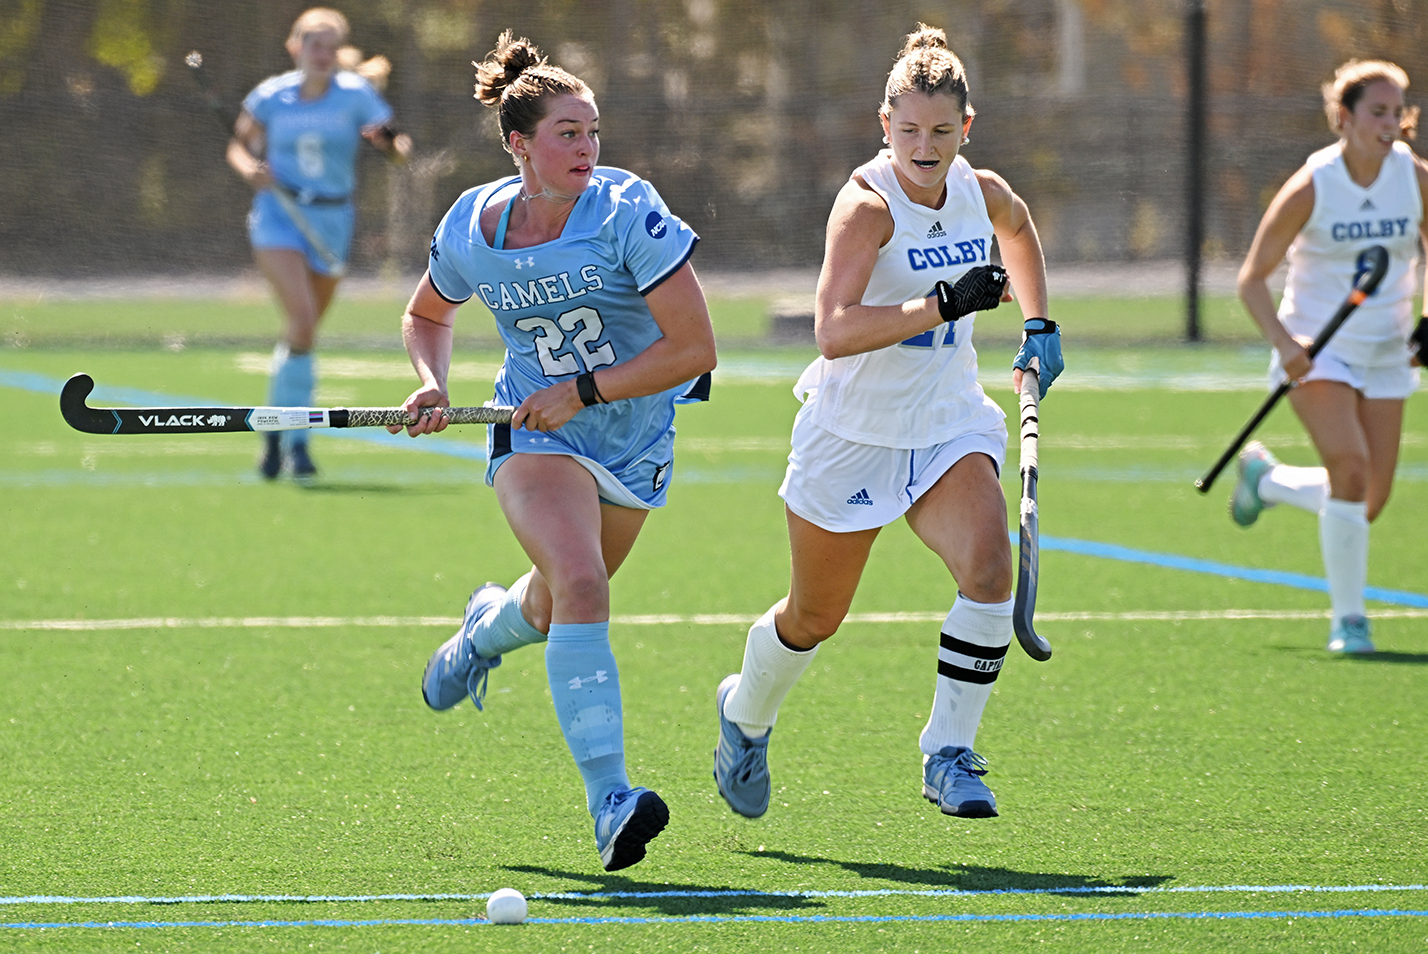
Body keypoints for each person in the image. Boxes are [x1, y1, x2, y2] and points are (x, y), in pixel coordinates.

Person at [711, 25, 1063, 823]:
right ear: (885, 126)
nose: (926, 146)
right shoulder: (866, 206)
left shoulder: (982, 187)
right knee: (813, 617)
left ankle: (948, 753)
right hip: (853, 436)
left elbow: (1019, 224)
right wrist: (943, 302)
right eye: (909, 130)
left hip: (946, 422)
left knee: (988, 571)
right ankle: (745, 718)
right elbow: (832, 329)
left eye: (942, 131)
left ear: (965, 129)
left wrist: (1041, 326)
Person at [390, 32, 716, 871]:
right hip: (535, 433)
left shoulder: (626, 211)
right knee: (581, 583)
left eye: (593, 131)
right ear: (519, 145)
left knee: (552, 604)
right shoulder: (473, 222)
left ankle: (481, 636)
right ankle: (611, 798)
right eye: (567, 133)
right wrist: (430, 382)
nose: (587, 148)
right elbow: (428, 314)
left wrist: (586, 389)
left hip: (634, 435)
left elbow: (694, 349)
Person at [1232, 59, 1428, 655]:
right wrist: (1286, 346)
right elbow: (1252, 279)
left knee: (1369, 498)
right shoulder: (1313, 185)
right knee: (1350, 468)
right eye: (1377, 112)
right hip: (1319, 352)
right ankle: (1350, 621)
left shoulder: (1415, 177)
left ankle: (1266, 481)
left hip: (1387, 349)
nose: (1390, 124)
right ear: (1344, 116)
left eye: (1398, 113)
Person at [227, 7, 412, 479]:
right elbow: (239, 144)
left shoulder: (356, 95)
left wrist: (387, 145)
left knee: (301, 336)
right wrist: (252, 170)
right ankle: (300, 445)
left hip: (333, 220)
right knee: (303, 322)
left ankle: (272, 434)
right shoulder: (271, 96)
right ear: (296, 47)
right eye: (314, 44)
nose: (323, 54)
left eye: (331, 46)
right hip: (279, 217)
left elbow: (398, 149)